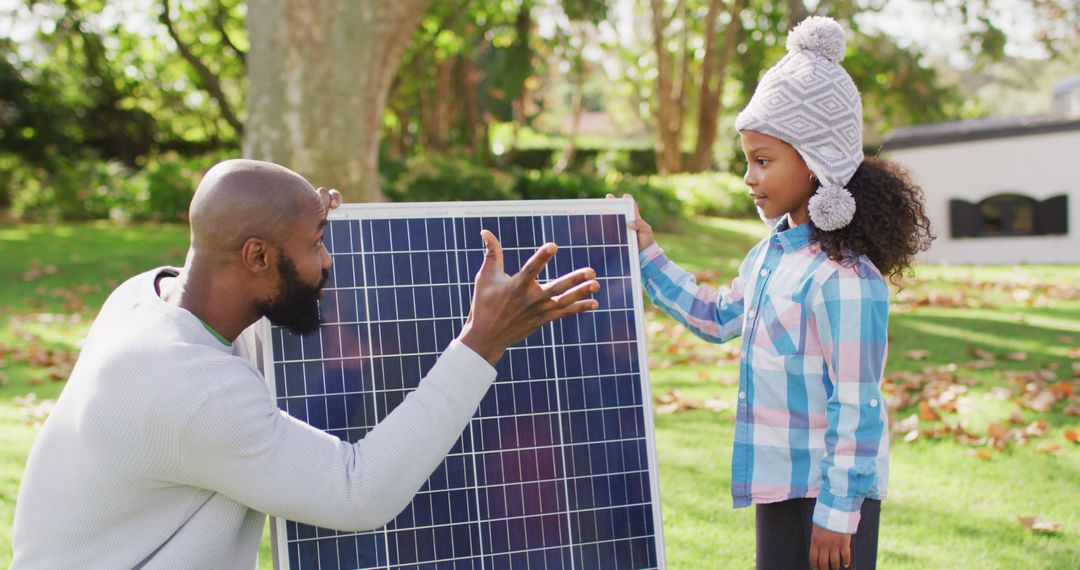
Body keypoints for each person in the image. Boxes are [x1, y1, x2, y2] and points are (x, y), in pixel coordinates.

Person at [11, 159, 601, 568]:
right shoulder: (192, 393)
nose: (327, 260)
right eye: (316, 242)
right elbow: (357, 491)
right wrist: (481, 343)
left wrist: (295, 214)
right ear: (258, 255)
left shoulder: (147, 296)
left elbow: (253, 302)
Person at [620, 17, 932, 570]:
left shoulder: (848, 280)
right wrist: (647, 254)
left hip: (832, 496)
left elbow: (858, 403)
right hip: (779, 486)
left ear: (818, 164)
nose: (748, 177)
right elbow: (716, 316)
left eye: (763, 160)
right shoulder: (771, 257)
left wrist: (838, 514)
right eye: (747, 159)